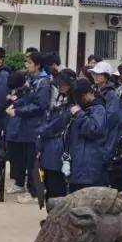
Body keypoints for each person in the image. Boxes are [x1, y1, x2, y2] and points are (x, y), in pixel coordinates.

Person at [5, 52, 50, 198]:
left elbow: (40, 106)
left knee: (33, 161)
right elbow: (26, 97)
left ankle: (34, 193)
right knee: (21, 157)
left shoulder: (44, 82)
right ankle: (20, 185)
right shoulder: (31, 79)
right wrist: (15, 104)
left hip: (35, 126)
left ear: (37, 65)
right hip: (25, 126)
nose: (27, 65)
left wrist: (18, 111)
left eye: (30, 63)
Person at [37, 69, 76, 201]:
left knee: (57, 187)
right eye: (58, 84)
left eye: (63, 84)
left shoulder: (73, 104)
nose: (60, 86)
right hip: (49, 148)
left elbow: (57, 125)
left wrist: (43, 130)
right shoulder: (60, 100)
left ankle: (57, 218)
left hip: (59, 150)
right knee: (48, 184)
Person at [63, 78, 109, 192]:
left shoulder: (98, 108)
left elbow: (94, 129)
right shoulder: (82, 109)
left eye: (79, 97)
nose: (77, 101)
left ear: (87, 94)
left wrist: (79, 114)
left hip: (90, 170)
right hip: (77, 166)